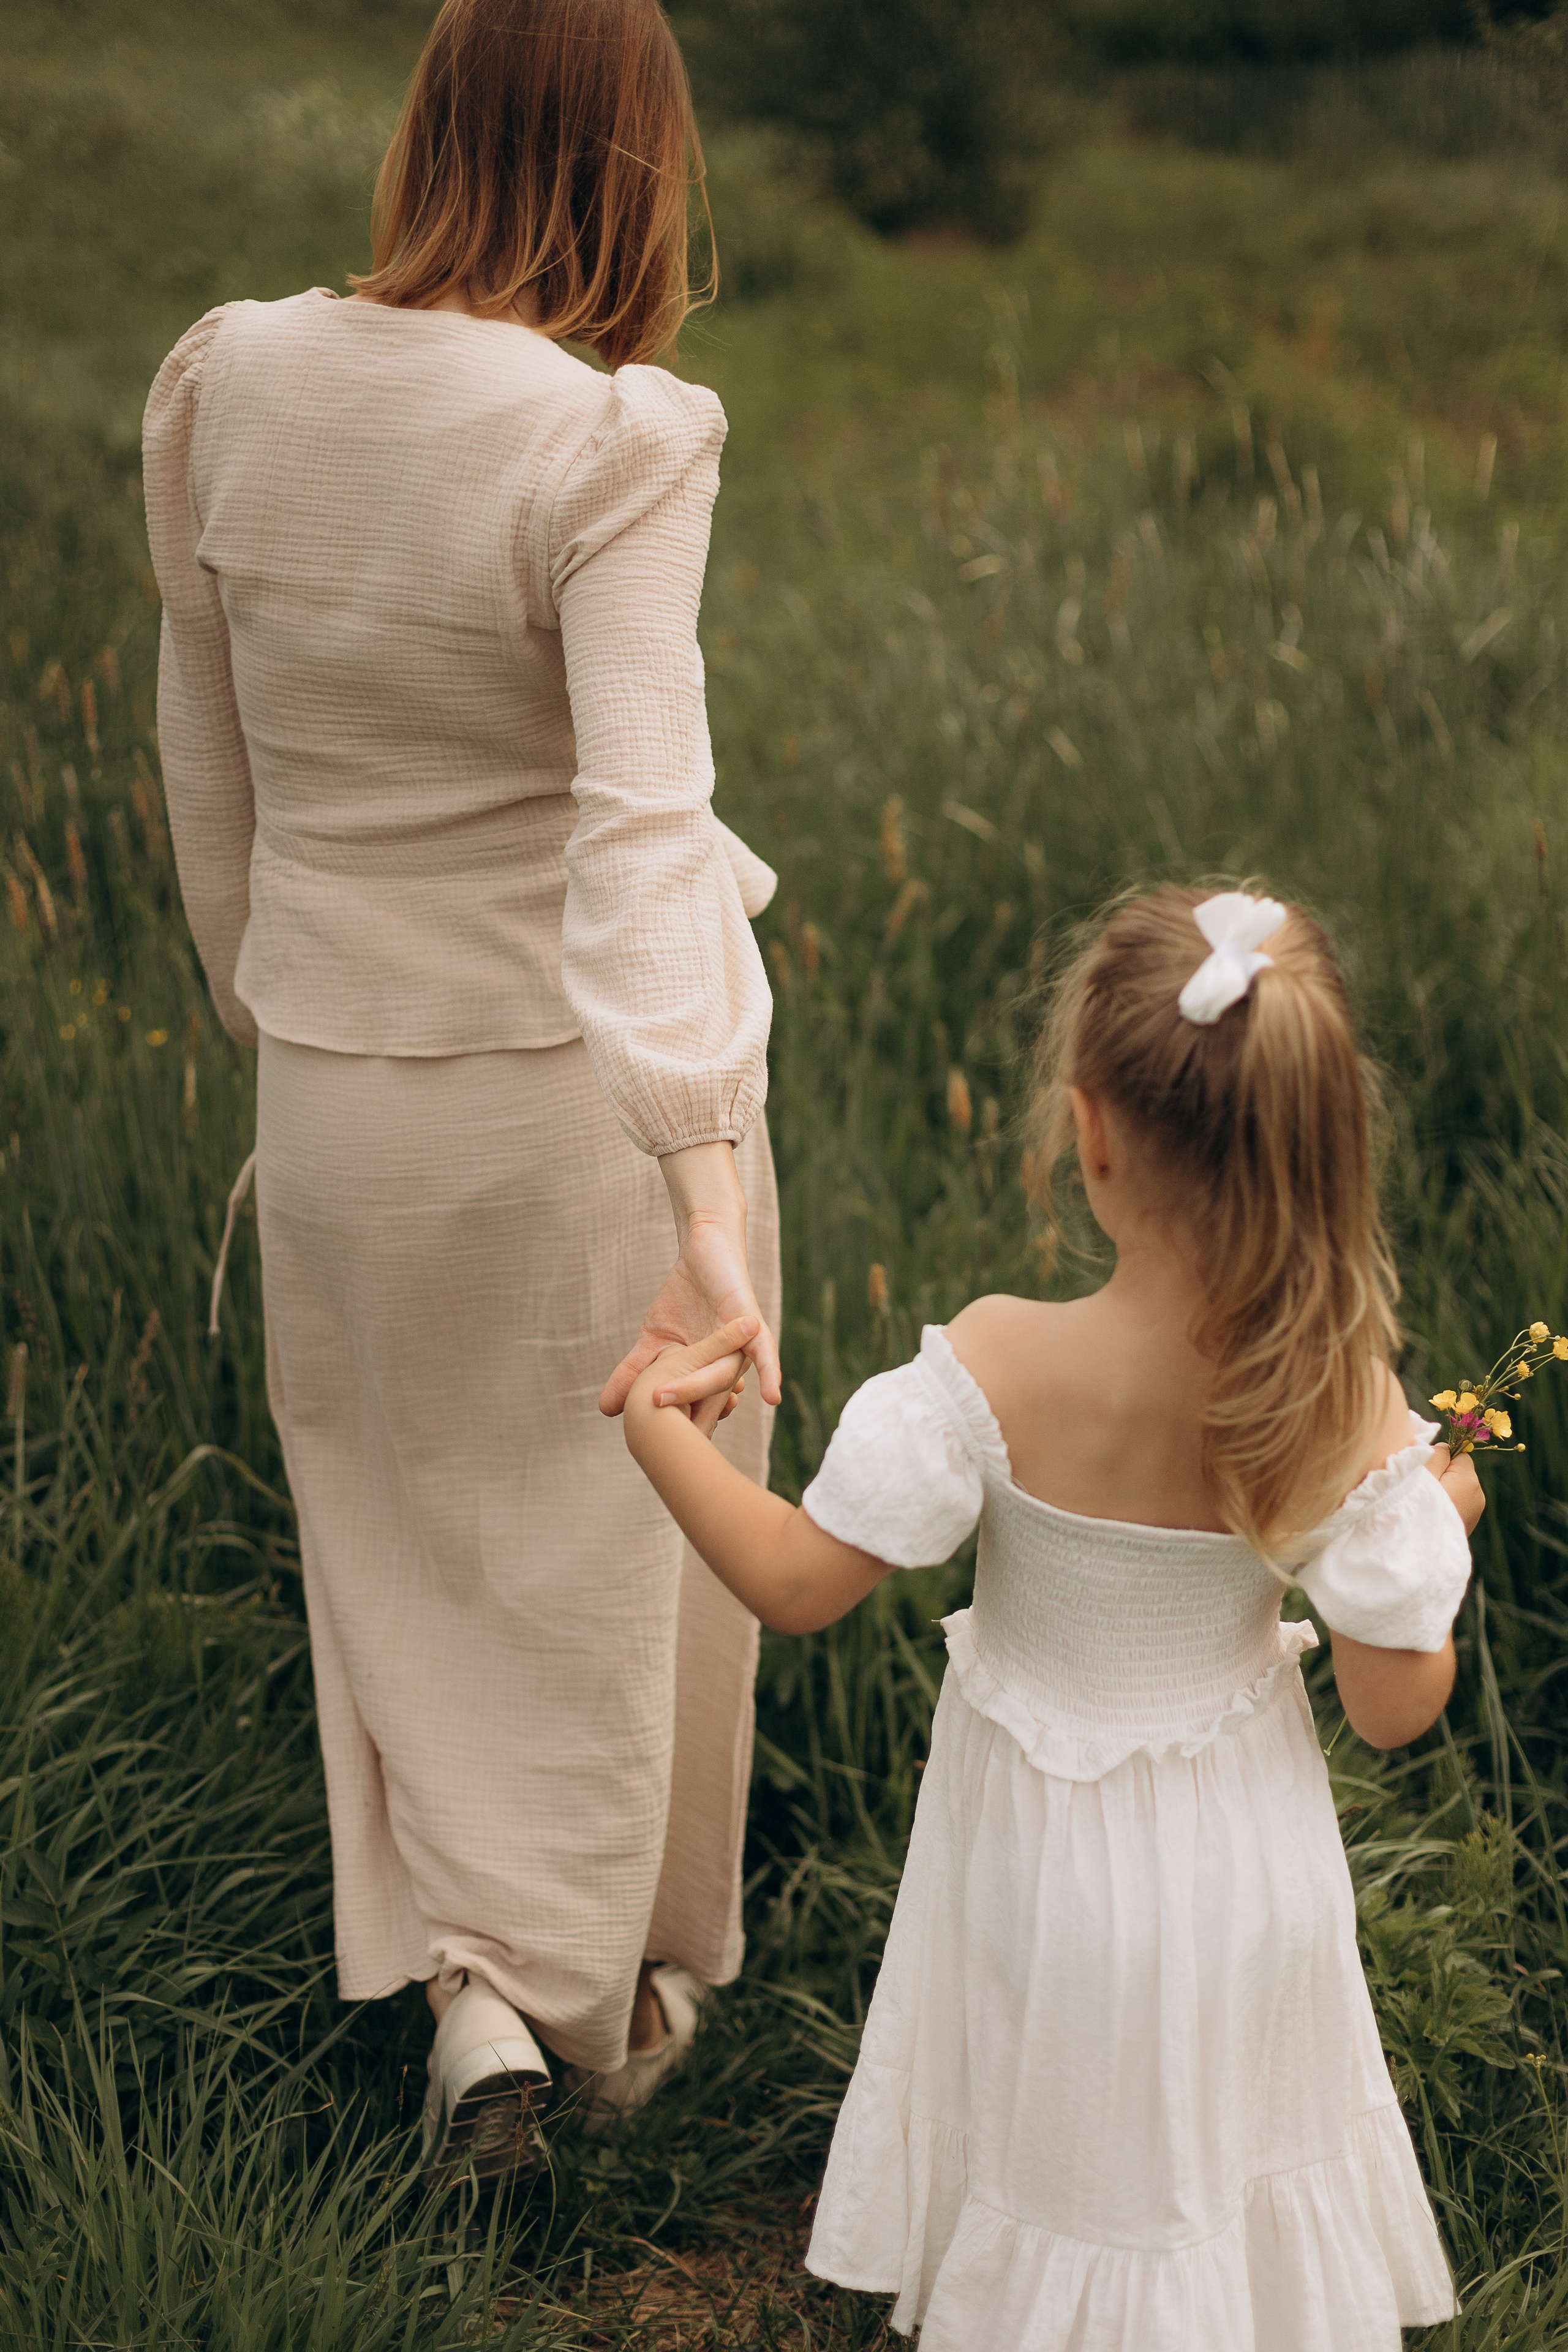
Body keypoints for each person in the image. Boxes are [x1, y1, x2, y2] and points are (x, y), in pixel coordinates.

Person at [141, 0, 780, 2187]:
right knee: (612, 1552)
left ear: (433, 125)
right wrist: (702, 1185)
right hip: (579, 1108)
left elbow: (204, 747)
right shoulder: (615, 443)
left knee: (399, 1551)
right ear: (634, 159)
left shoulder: (229, 378)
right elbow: (640, 833)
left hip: (341, 1091)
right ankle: (599, 2012)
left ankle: (468, 1995)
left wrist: (283, 1016)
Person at [624, 884, 1479, 2350]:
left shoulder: (999, 1361)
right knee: (1212, 2148)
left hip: (1036, 1866)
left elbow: (793, 1585)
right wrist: (1431, 1522)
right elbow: (1392, 1708)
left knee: (1063, 2147)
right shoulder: (1338, 1404)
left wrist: (657, 1432)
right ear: (1322, 1141)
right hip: (1242, 1872)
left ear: (1087, 1129)